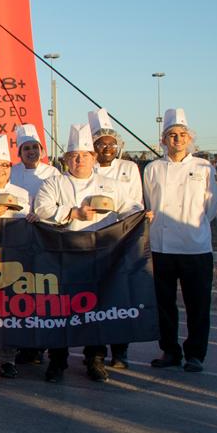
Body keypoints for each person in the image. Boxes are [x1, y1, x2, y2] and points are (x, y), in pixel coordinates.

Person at [34, 124, 141, 383]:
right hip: (63, 253)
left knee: (96, 308)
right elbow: (41, 209)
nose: (79, 160)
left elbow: (130, 207)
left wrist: (141, 215)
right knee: (60, 308)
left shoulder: (111, 184)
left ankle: (95, 360)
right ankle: (57, 361)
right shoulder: (55, 182)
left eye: (84, 155)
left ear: (93, 158)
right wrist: (72, 213)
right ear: (66, 159)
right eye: (74, 156)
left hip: (101, 253)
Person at [144, 109, 217, 374]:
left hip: (195, 246)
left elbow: (211, 207)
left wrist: (193, 225)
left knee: (197, 304)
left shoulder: (204, 167)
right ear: (163, 140)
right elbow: (149, 203)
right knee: (164, 305)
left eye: (182, 134)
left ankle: (195, 354)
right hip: (161, 246)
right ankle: (170, 351)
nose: (177, 139)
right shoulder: (152, 169)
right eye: (172, 135)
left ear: (189, 138)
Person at [88, 108, 142, 368]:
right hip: (93, 241)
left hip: (121, 239)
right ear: (93, 148)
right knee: (93, 298)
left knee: (120, 295)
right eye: (101, 144)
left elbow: (135, 203)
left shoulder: (129, 168)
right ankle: (95, 353)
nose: (107, 148)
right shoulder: (87, 169)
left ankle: (120, 351)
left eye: (111, 144)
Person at [0, 134, 32, 379]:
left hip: (13, 260)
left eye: (4, 165)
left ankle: (8, 359)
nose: (0, 170)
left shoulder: (22, 193)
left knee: (9, 308)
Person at [10, 124, 59, 203]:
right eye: (26, 148)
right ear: (20, 153)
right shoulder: (11, 172)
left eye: (35, 147)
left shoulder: (52, 172)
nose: (31, 151)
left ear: (41, 150)